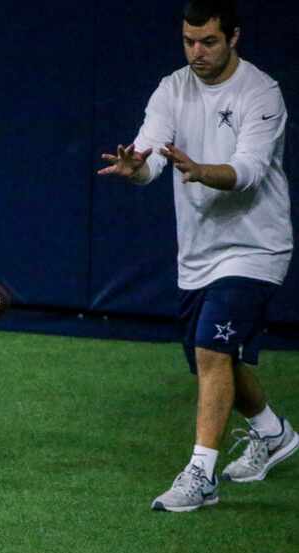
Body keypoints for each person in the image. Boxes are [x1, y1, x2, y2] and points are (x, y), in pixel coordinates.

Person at [98, 0, 297, 512]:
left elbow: (249, 170)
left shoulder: (261, 92)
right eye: (188, 41)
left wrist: (203, 170)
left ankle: (200, 476)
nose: (196, 52)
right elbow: (149, 159)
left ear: (234, 37)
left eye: (208, 41)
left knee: (212, 350)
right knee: (211, 355)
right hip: (198, 253)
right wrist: (134, 168)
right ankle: (272, 433)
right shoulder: (172, 88)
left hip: (256, 246)